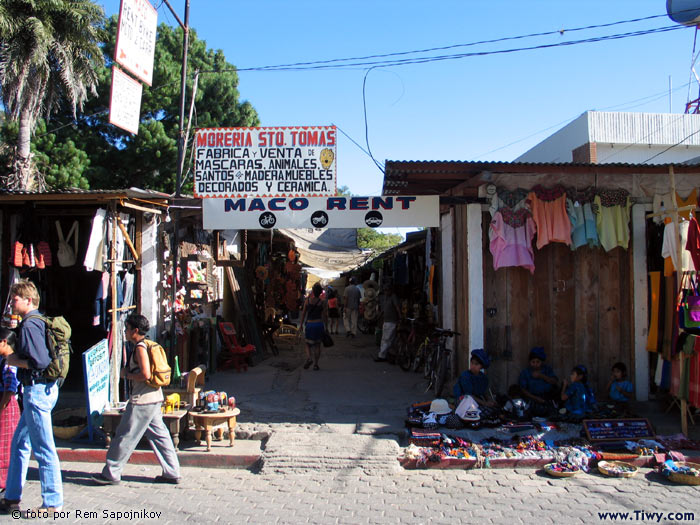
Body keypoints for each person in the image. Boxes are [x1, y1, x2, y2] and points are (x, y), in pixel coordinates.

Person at [92, 314, 181, 486]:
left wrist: (128, 375)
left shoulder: (140, 347)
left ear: (135, 331)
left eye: (127, 329)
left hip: (142, 400)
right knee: (160, 437)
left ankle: (112, 472)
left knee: (124, 436)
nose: (125, 332)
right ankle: (172, 471)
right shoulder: (150, 344)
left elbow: (146, 374)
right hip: (155, 398)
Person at [0, 280, 63, 514]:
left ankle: (52, 501)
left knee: (43, 448)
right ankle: (11, 496)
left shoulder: (29, 325)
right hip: (39, 390)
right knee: (19, 444)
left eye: (16, 298)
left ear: (28, 300)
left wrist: (14, 361)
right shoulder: (37, 321)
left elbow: (40, 361)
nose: (12, 302)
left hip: (37, 390)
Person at [0, 329, 19, 492]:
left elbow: (10, 388)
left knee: (5, 446)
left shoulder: (10, 363)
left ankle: (4, 483)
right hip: (4, 404)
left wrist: (1, 407)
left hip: (7, 407)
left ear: (4, 342)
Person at [518, 347, 559, 415]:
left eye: (538, 362)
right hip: (532, 399)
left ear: (542, 362)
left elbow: (554, 381)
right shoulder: (525, 372)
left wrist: (541, 376)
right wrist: (536, 398)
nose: (535, 364)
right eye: (533, 362)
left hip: (547, 398)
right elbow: (523, 389)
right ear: (529, 362)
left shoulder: (547, 370)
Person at [299, 283, 327, 371]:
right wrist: (326, 327)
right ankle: (315, 364)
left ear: (313, 292)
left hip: (310, 325)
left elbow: (303, 314)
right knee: (317, 345)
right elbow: (324, 315)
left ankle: (309, 358)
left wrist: (301, 325)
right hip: (319, 325)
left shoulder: (307, 301)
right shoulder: (322, 302)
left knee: (307, 343)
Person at [375, 283, 400, 362]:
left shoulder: (393, 297)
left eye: (387, 290)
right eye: (385, 290)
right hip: (386, 321)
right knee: (385, 339)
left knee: (387, 339)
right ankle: (387, 354)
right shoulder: (386, 298)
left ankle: (382, 355)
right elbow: (384, 309)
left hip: (391, 321)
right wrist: (379, 316)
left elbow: (397, 307)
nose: (385, 292)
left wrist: (400, 316)